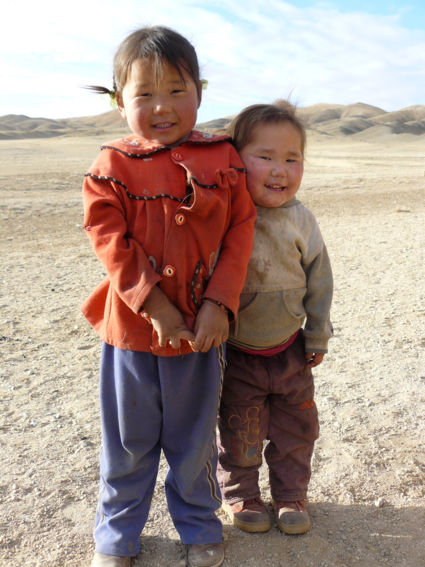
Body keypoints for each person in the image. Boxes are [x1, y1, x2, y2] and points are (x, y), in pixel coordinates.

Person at [81, 26, 256, 567]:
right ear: (118, 102)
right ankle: (117, 537)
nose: (162, 106)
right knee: (128, 444)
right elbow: (108, 239)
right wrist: (153, 302)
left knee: (194, 443)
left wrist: (218, 302)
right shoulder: (112, 166)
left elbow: (240, 230)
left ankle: (199, 527)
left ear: (199, 92)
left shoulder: (224, 158)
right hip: (131, 337)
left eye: (177, 90)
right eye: (144, 94)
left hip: (201, 338)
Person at [217, 100, 333, 536]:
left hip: (291, 351)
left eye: (292, 159)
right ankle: (242, 495)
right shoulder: (226, 216)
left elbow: (320, 280)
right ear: (234, 159)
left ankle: (290, 496)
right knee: (240, 431)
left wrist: (317, 335)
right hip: (237, 354)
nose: (280, 170)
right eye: (264, 157)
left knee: (296, 430)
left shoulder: (302, 220)